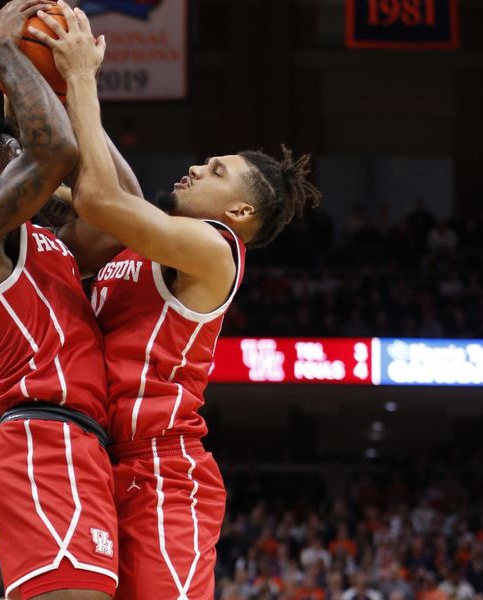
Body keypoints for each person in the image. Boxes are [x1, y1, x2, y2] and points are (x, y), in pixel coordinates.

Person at [29, 3, 321, 598]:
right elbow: (106, 187)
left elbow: (104, 200)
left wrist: (84, 77)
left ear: (238, 212)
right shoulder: (141, 243)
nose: (196, 166)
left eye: (216, 171)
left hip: (163, 471)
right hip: (95, 455)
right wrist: (51, 86)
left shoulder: (218, 249)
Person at [0, 1, 132, 598]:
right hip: (43, 441)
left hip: (81, 443)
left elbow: (121, 214)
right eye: (16, 154)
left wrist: (72, 89)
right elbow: (54, 152)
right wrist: (5, 52)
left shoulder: (46, 243)